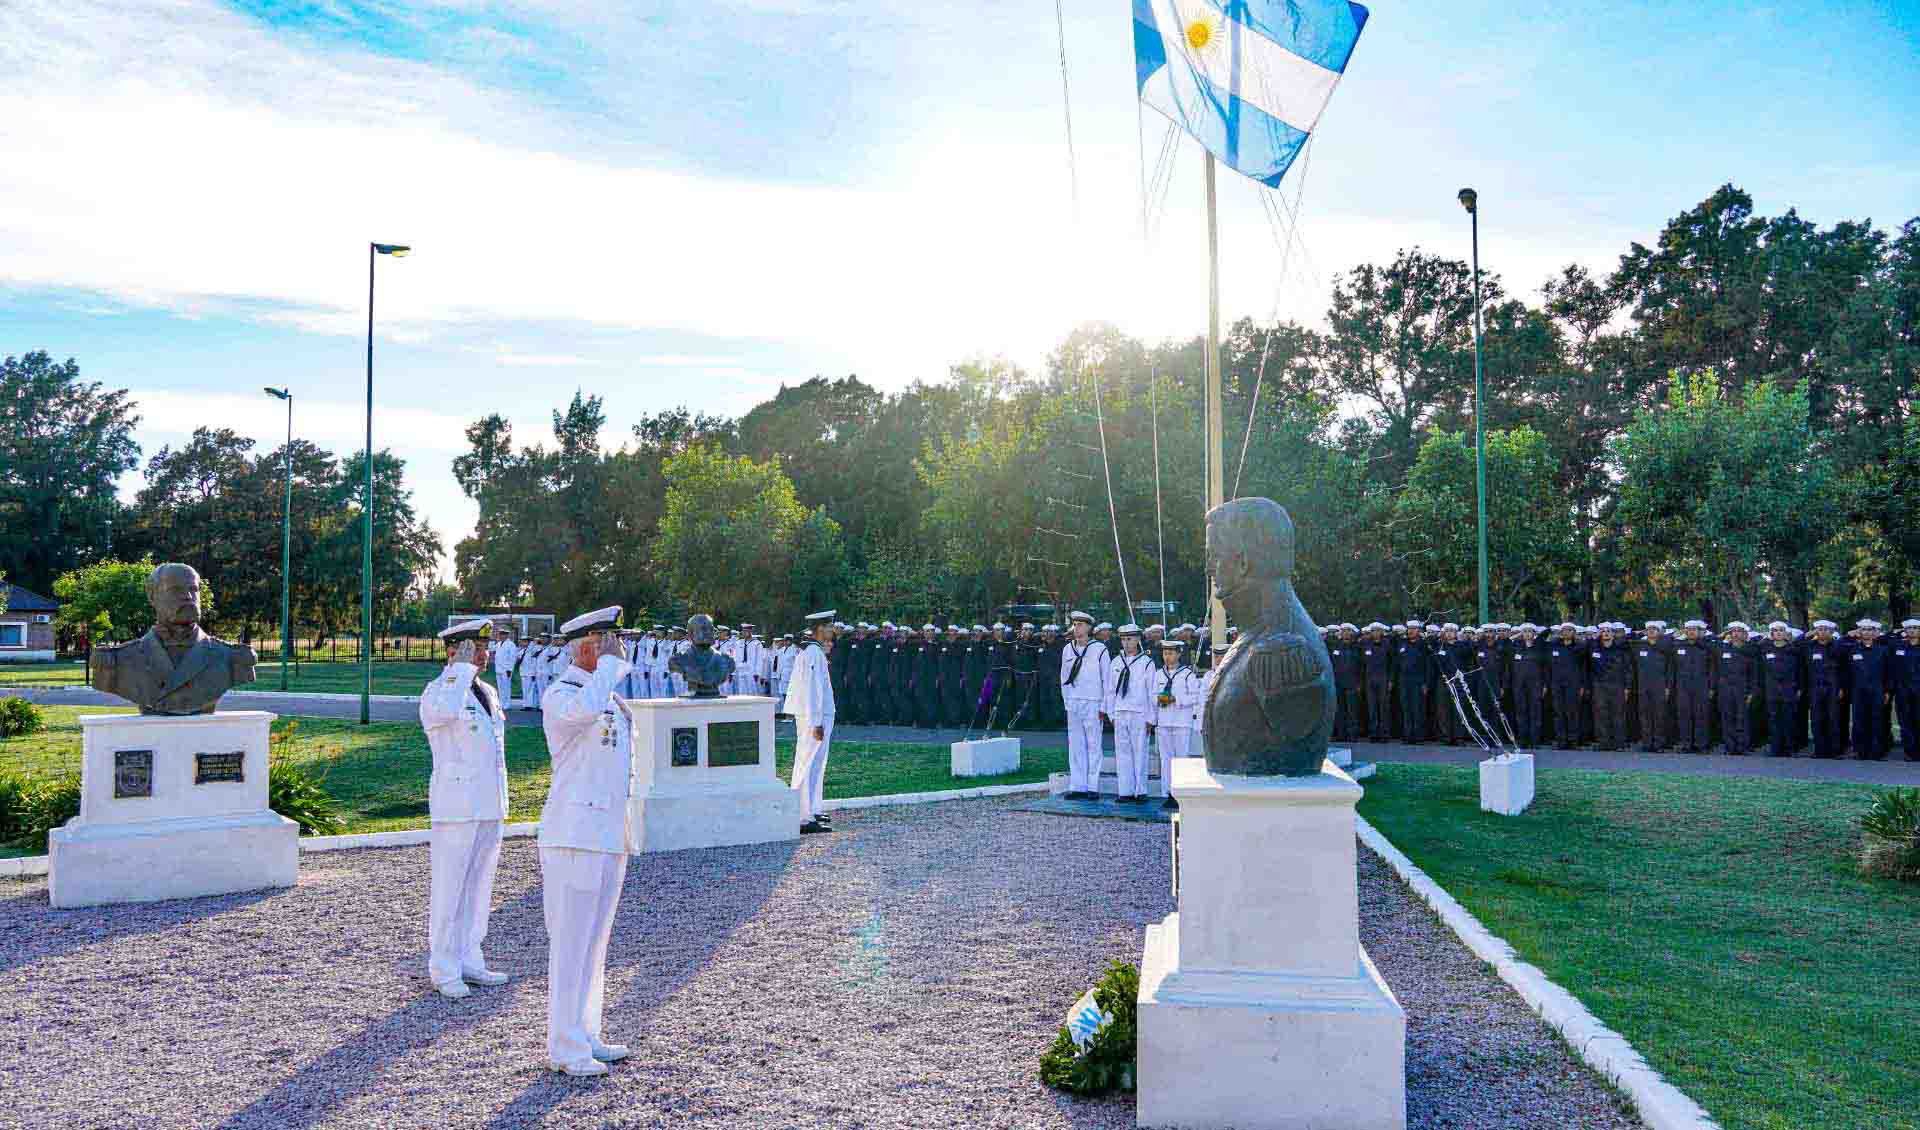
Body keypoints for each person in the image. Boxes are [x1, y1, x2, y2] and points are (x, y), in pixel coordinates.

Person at [538, 606, 636, 1078]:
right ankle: (565, 1045)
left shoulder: (607, 695)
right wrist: (611, 668)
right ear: (584, 645)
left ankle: (586, 1030)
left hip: (606, 833)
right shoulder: (563, 694)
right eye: (606, 640)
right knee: (572, 945)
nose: (616, 648)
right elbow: (583, 712)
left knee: (595, 944)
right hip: (574, 834)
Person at [418, 619, 511, 1001]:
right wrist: (460, 670)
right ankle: (443, 967)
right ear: (454, 650)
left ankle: (471, 957)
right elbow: (443, 714)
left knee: (479, 887)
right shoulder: (438, 691)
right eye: (476, 647)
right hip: (456, 805)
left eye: (485, 647)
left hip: (489, 801)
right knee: (450, 888)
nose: (484, 654)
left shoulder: (486, 690)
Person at [784, 611, 840, 834]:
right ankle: (803, 816)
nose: (832, 631)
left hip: (818, 715)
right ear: (819, 628)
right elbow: (813, 691)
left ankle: (813, 809)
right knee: (807, 764)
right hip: (814, 717)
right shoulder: (813, 653)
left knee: (816, 764)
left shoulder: (813, 651)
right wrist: (816, 722)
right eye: (828, 627)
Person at [1059, 611, 1111, 800]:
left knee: (1093, 744)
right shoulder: (1067, 649)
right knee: (1076, 744)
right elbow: (1064, 678)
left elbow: (1107, 679)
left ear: (1089, 628)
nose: (1077, 628)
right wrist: (1067, 701)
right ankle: (1078, 785)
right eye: (1075, 624)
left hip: (1093, 701)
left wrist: (1104, 706)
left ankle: (1092, 786)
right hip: (1074, 702)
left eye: (1080, 625)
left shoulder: (1100, 649)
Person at [1105, 624, 1155, 802]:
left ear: (1138, 640)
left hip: (1139, 712)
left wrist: (1151, 717)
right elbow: (1110, 690)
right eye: (1124, 639)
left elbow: (1151, 692)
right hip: (1120, 711)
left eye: (1130, 639)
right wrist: (1111, 713)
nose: (1126, 643)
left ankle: (1140, 791)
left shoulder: (1146, 663)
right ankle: (1125, 790)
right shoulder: (1116, 662)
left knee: (1140, 751)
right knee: (1123, 751)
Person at [1845, 619, 1890, 760]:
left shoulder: (1883, 650)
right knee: (1859, 721)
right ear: (1859, 632)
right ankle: (1859, 751)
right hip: (1858, 690)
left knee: (1877, 720)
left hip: (1877, 689)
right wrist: (1849, 635)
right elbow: (1837, 648)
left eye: (1870, 630)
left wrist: (1888, 690)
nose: (1867, 632)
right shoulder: (1852, 648)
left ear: (1875, 632)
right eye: (1864, 630)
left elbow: (1889, 672)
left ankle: (1877, 751)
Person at [1759, 621, 1804, 758]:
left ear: (1786, 633)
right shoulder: (1765, 648)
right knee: (1773, 719)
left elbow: (1800, 671)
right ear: (1771, 633)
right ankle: (1775, 748)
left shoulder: (1793, 650)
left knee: (1789, 719)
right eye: (1775, 630)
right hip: (1772, 690)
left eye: (1781, 630)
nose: (1778, 633)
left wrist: (1800, 687)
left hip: (1789, 690)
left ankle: (1789, 748)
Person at [1713, 622, 1759, 755]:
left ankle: (1742, 746)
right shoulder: (1722, 648)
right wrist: (1720, 636)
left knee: (1742, 718)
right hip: (1725, 688)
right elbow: (1709, 644)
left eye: (1739, 631)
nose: (1735, 634)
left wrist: (1752, 691)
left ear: (1745, 634)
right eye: (1733, 631)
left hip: (1742, 688)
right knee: (1727, 718)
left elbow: (1754, 674)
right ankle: (1730, 746)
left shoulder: (1750, 651)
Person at [1802, 620, 1846, 758]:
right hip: (1815, 687)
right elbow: (1795, 644)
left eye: (1826, 629)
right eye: (1819, 629)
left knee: (1833, 719)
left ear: (1832, 632)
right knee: (1816, 720)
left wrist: (1842, 687)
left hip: (1833, 687)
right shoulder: (1809, 646)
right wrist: (1808, 635)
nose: (1823, 632)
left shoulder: (1839, 647)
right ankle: (1819, 750)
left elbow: (1845, 670)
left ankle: (1835, 750)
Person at [1671, 620, 1714, 753]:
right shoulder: (1678, 646)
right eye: (1688, 629)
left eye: (1694, 629)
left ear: (1700, 631)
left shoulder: (1707, 647)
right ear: (1685, 631)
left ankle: (1701, 745)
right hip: (1683, 686)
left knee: (1701, 715)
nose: (1691, 632)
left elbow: (1712, 669)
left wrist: (1711, 687)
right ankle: (1686, 744)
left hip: (1701, 686)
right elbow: (1672, 668)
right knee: (1684, 715)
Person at [1632, 622, 1672, 751]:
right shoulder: (1639, 646)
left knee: (1659, 715)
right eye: (1649, 629)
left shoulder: (1665, 647)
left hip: (1660, 685)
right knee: (1645, 715)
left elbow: (1670, 669)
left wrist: (1668, 687)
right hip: (1643, 685)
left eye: (1654, 629)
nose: (1651, 631)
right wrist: (1637, 634)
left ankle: (1658, 744)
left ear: (1660, 632)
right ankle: (1646, 743)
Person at [1392, 621, 1433, 743]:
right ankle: (1408, 735)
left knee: (1417, 709)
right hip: (1404, 680)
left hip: (1418, 681)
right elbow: (1396, 663)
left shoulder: (1423, 645)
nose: (1411, 631)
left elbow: (1428, 666)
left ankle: (1419, 736)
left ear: (1419, 631)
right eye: (1409, 628)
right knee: (1406, 708)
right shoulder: (1402, 644)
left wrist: (1426, 683)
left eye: (1414, 628)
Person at [1507, 624, 1546, 747]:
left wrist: (1545, 685)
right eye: (1525, 631)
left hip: (1535, 685)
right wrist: (1517, 635)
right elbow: (1504, 643)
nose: (1527, 634)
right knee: (1521, 712)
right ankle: (1523, 740)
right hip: (1519, 685)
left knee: (1535, 712)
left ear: (1534, 633)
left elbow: (1545, 668)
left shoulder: (1540, 647)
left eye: (1530, 631)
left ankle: (1535, 740)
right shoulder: (1515, 647)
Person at [1327, 623, 1362, 742]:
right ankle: (1341, 734)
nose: (1345, 633)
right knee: (1340, 709)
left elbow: (1362, 666)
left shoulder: (1357, 647)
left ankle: (1353, 734)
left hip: (1352, 682)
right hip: (1338, 682)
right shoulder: (1336, 646)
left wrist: (1359, 683)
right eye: (1343, 631)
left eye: (1348, 631)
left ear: (1352, 633)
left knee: (1352, 710)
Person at [1359, 622, 1393, 741]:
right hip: (1369, 679)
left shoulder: (1387, 644)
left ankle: (1384, 733)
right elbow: (1362, 664)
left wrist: (1390, 680)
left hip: (1383, 677)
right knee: (1372, 707)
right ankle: (1374, 733)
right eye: (1373, 631)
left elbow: (1392, 664)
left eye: (1378, 630)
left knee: (1383, 707)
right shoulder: (1365, 644)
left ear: (1382, 632)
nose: (1375, 633)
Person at [1893, 620, 1920, 761]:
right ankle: (1909, 752)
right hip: (1902, 690)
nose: (1912, 631)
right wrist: (1896, 633)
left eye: (1915, 628)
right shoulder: (1898, 646)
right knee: (1905, 721)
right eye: (1909, 628)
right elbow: (1882, 638)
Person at [492, 630, 521, 709]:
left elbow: (513, 658)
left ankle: (507, 703)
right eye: (500, 634)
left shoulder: (511, 644)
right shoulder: (498, 644)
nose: (501, 636)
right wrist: (494, 640)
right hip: (498, 668)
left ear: (507, 635)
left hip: (506, 669)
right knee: (500, 687)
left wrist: (510, 669)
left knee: (506, 687)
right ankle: (501, 702)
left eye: (503, 634)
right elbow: (491, 649)